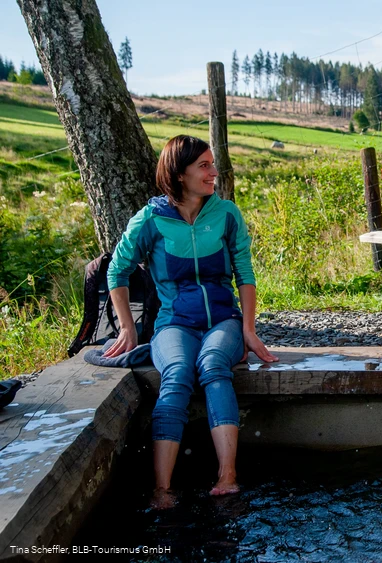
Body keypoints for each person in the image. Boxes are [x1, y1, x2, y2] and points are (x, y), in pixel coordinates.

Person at [103, 135, 278, 508]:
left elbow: (245, 275)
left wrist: (248, 330)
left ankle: (227, 475)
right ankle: (162, 489)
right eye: (204, 165)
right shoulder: (150, 219)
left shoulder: (227, 213)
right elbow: (116, 271)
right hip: (173, 324)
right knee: (179, 371)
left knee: (213, 365)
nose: (214, 172)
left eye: (213, 164)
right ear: (179, 173)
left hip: (223, 322)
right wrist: (128, 328)